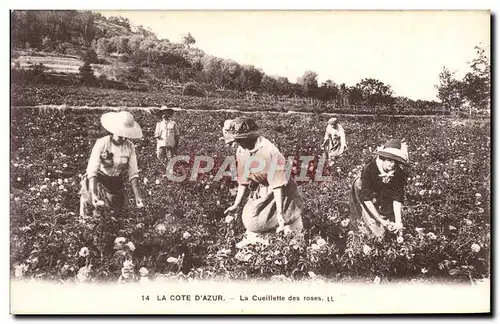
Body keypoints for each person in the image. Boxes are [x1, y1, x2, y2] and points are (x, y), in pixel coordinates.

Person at [222, 117, 304, 248]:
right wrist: (236, 204)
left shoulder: (268, 151)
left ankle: (293, 248)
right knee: (255, 218)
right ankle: (259, 246)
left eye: (240, 140)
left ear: (249, 138)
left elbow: (277, 186)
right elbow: (243, 180)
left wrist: (280, 213)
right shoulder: (241, 150)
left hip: (283, 190)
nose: (238, 143)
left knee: (288, 221)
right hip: (263, 187)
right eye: (236, 140)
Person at [79, 110, 145, 217]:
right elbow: (93, 171)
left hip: (115, 182)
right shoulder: (103, 143)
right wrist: (94, 194)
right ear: (115, 130)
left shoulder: (129, 146)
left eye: (126, 135)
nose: (123, 138)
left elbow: (133, 173)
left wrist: (138, 197)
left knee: (118, 216)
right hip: (98, 181)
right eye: (121, 134)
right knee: (93, 214)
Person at [349, 139, 409, 239]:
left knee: (389, 222)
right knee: (371, 225)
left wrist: (399, 222)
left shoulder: (398, 173)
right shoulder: (370, 169)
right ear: (382, 158)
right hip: (364, 193)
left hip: (382, 193)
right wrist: (380, 220)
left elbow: (397, 198)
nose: (393, 164)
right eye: (389, 160)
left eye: (396, 162)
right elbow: (366, 197)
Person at [154, 107, 180, 176]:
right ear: (162, 115)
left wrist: (176, 145)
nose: (165, 114)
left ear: (169, 114)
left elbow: (177, 135)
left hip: (170, 144)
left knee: (170, 158)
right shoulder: (159, 124)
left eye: (167, 113)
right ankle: (168, 168)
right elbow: (156, 134)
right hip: (161, 144)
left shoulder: (173, 124)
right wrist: (157, 136)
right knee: (159, 156)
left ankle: (171, 172)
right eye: (164, 113)